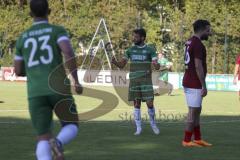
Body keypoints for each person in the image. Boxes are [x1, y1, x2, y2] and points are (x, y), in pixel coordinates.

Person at [14, 0, 83, 159]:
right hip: (58, 88)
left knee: (42, 138)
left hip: (36, 92)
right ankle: (58, 142)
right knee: (71, 124)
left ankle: (51, 143)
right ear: (49, 11)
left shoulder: (22, 38)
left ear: (30, 14)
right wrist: (76, 81)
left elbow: (18, 70)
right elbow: (68, 52)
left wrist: (31, 70)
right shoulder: (57, 31)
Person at [112, 28, 160, 135]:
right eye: (133, 36)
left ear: (142, 38)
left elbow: (156, 65)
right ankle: (138, 128)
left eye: (136, 37)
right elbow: (122, 65)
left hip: (146, 80)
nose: (134, 38)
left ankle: (153, 124)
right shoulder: (129, 50)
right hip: (134, 80)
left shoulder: (150, 49)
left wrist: (156, 65)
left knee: (150, 103)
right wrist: (115, 62)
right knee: (136, 104)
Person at [182, 19, 212, 147]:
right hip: (194, 83)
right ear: (203, 29)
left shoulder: (189, 41)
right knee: (193, 112)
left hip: (189, 80)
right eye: (208, 30)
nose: (210, 33)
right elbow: (198, 66)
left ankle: (198, 138)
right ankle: (187, 140)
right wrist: (203, 86)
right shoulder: (198, 44)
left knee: (197, 110)